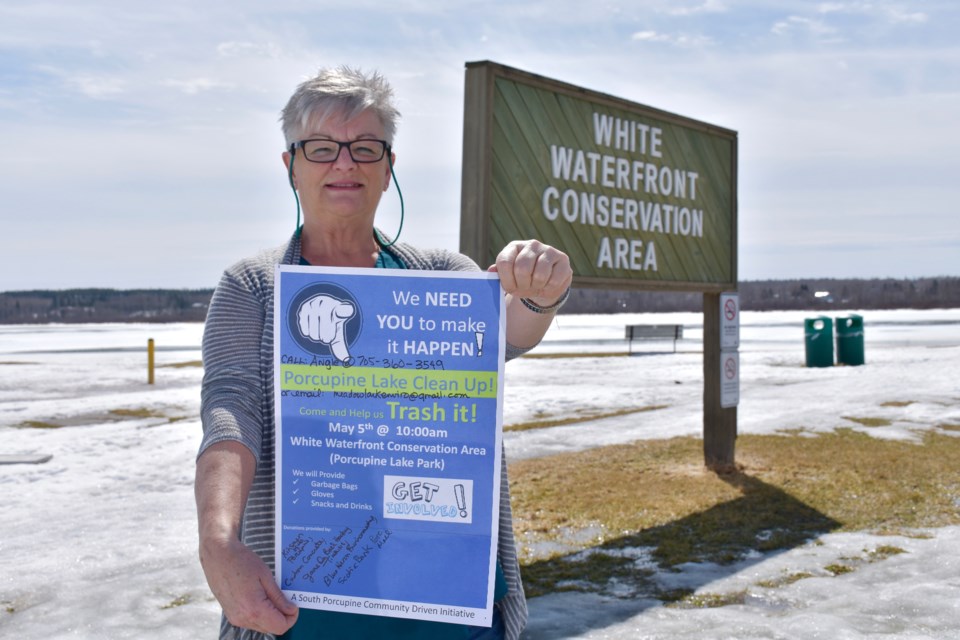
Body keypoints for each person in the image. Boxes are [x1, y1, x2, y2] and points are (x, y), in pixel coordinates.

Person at [195, 66, 572, 640]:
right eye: (320, 147)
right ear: (290, 166)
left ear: (389, 165)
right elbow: (231, 412)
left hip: (450, 609)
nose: (344, 163)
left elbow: (509, 338)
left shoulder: (446, 277)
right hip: (308, 613)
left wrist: (542, 292)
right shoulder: (255, 286)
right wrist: (218, 541)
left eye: (365, 147)